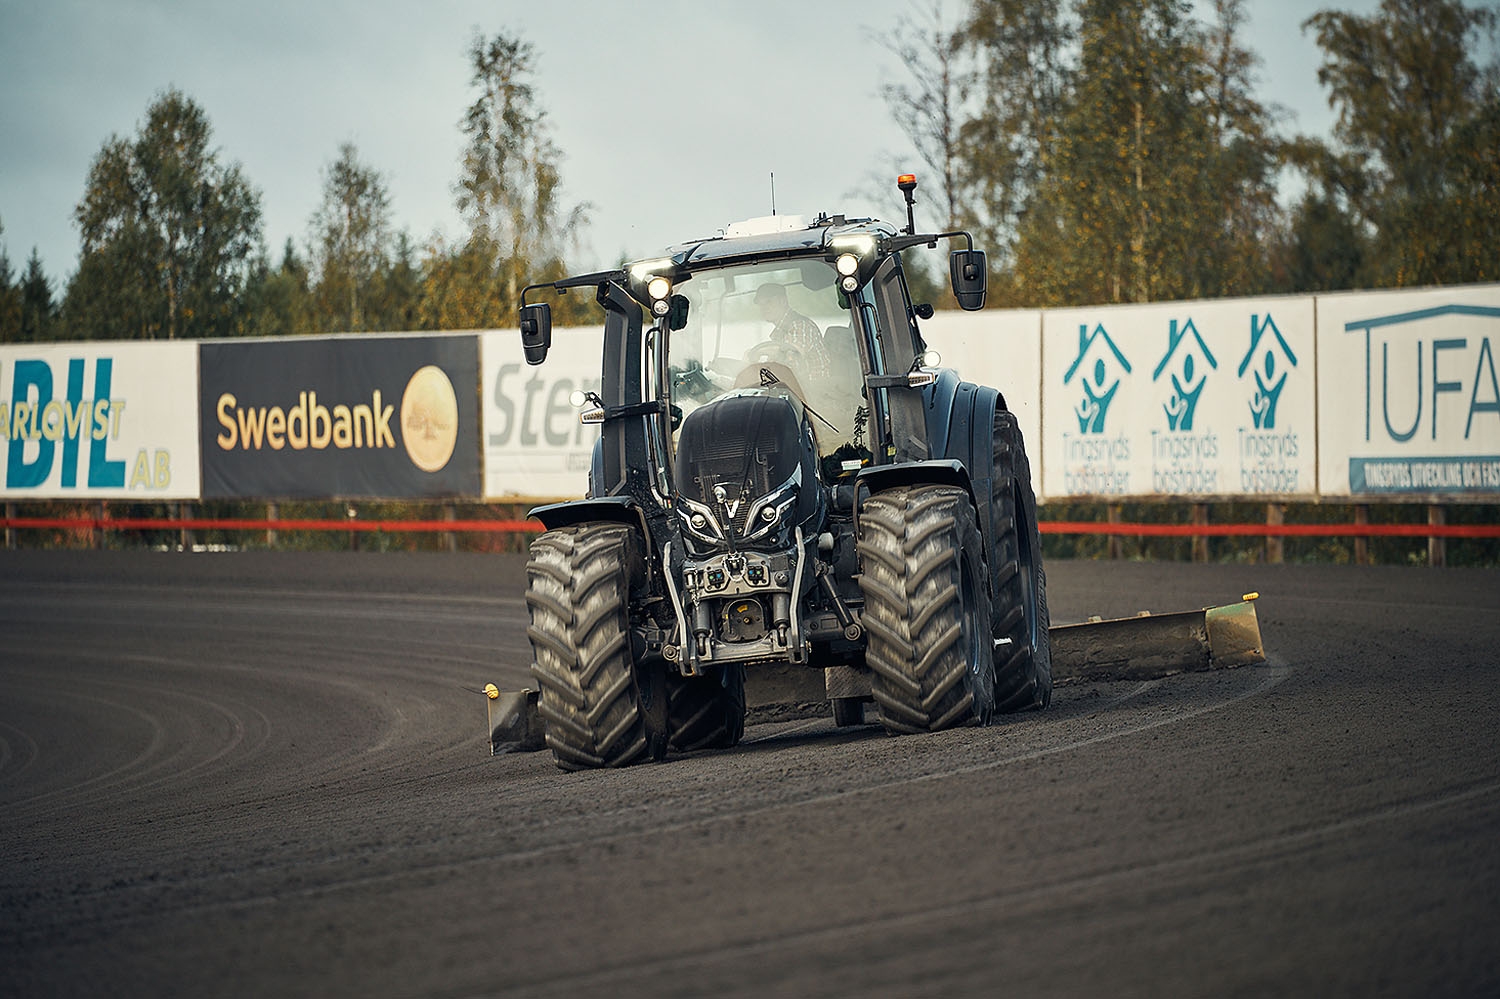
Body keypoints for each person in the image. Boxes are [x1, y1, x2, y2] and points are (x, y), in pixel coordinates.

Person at [753, 283, 832, 380]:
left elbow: (792, 353)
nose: (764, 308)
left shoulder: (801, 325)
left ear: (783, 301)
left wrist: (759, 352)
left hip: (817, 389)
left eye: (769, 302)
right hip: (799, 388)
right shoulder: (780, 332)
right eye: (761, 304)